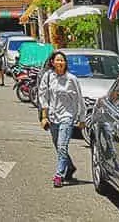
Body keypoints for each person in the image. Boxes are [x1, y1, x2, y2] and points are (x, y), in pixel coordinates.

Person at [37, 50, 83, 188]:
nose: (60, 62)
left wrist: (82, 118)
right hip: (52, 116)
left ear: (65, 63)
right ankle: (69, 166)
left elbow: (79, 99)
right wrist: (44, 116)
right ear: (52, 62)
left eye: (62, 60)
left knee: (63, 146)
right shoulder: (48, 77)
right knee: (58, 146)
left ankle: (59, 175)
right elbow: (43, 96)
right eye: (57, 60)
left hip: (67, 116)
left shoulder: (72, 79)